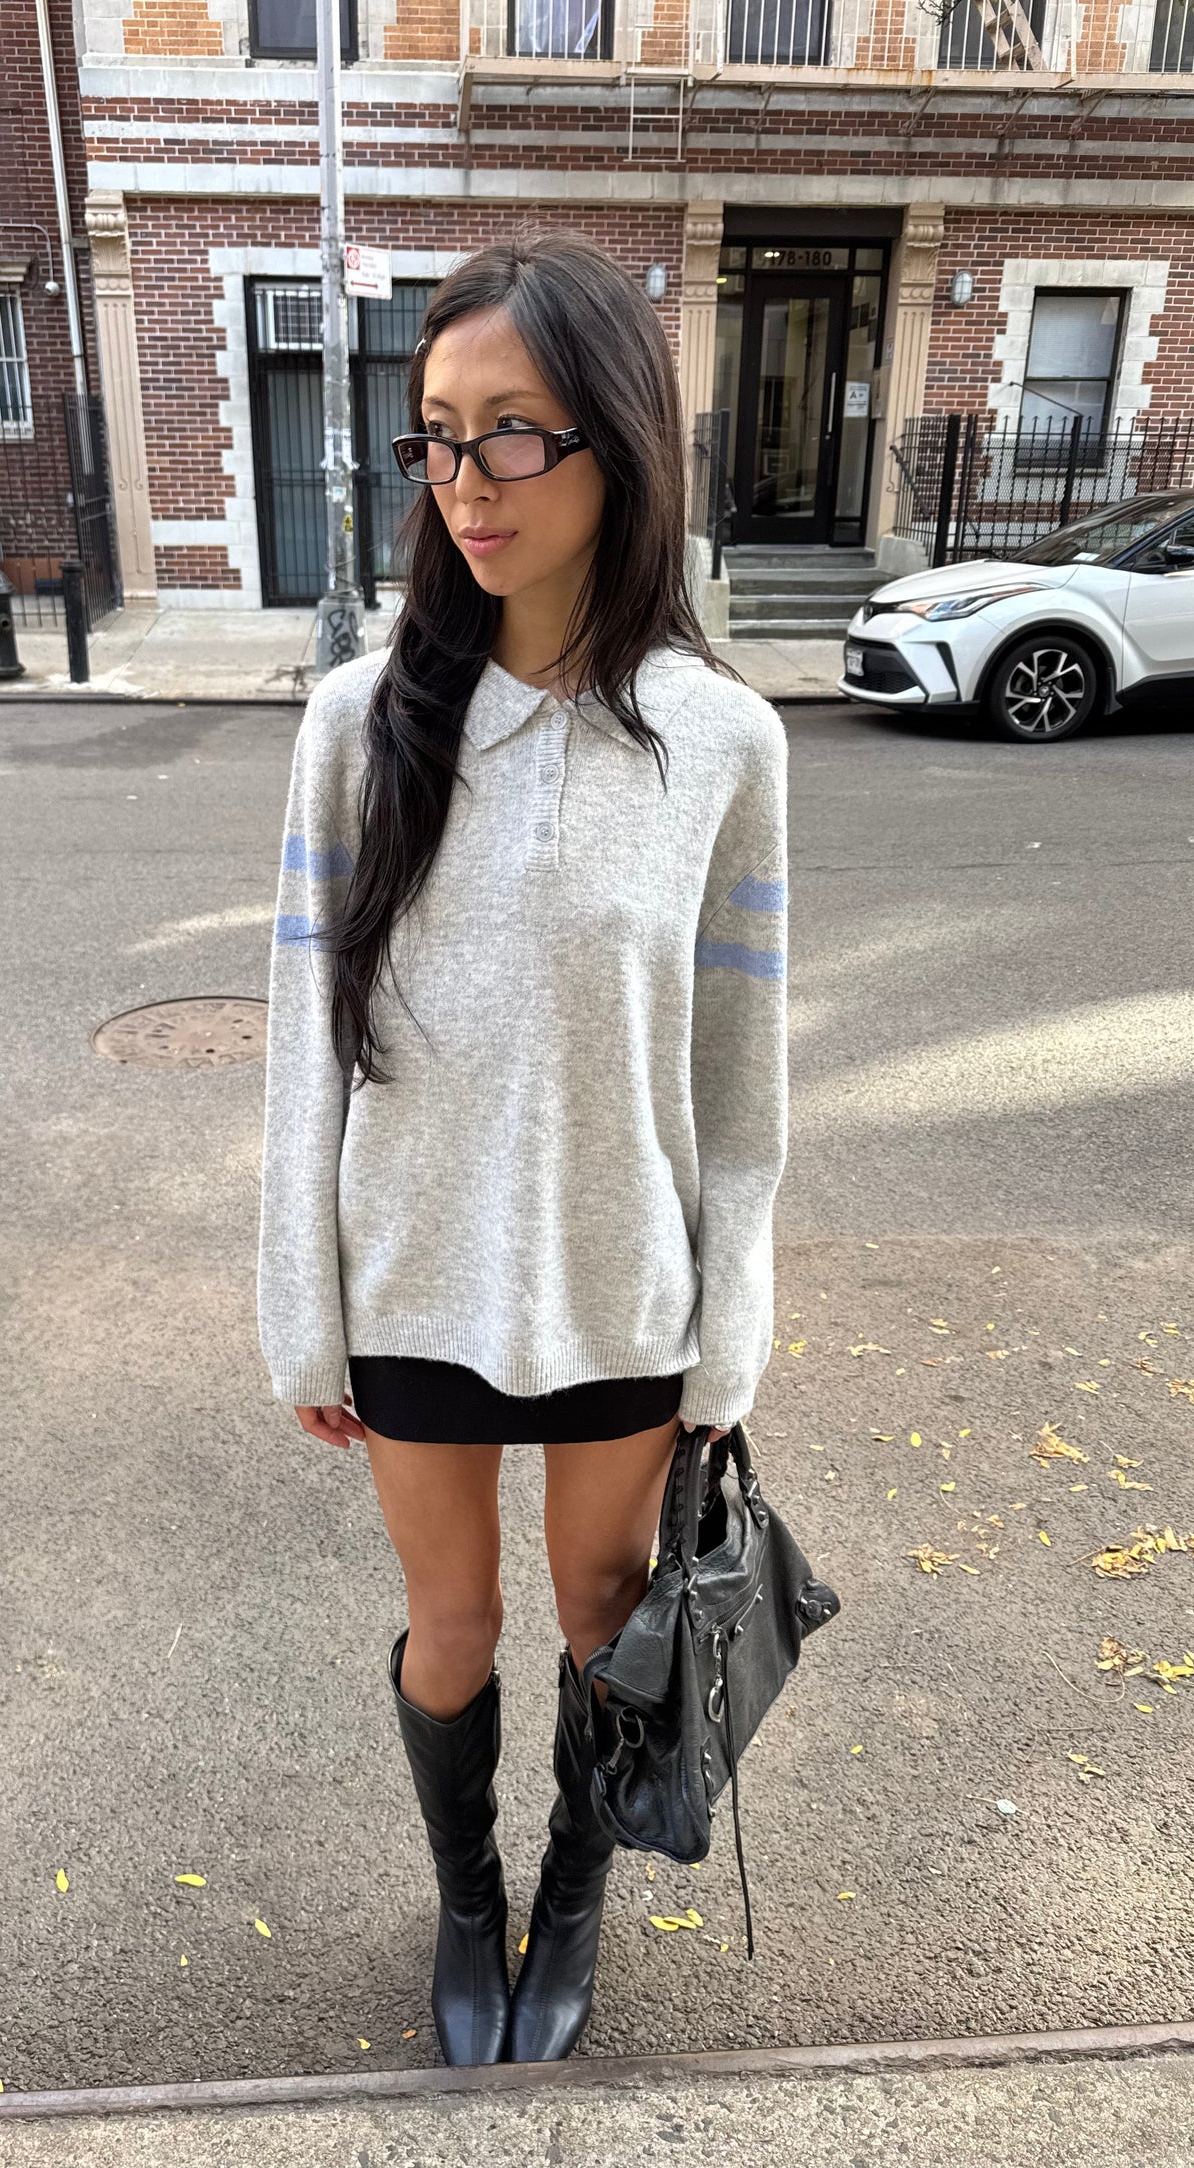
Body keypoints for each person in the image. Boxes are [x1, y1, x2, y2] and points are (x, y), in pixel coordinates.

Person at [257, 228, 789, 2069]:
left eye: (513, 435)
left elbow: (740, 1067)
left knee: (594, 1605)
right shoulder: (359, 720)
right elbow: (301, 1052)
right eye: (435, 436)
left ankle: (573, 1883)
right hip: (413, 1266)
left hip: (619, 1270)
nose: (465, 482)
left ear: (618, 446)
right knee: (455, 1613)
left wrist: (733, 1323)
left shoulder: (721, 740)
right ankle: (465, 1899)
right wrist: (299, 1312)